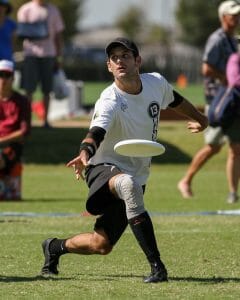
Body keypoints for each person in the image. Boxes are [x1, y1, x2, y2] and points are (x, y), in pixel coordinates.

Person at [40, 37, 208, 283]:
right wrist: (85, 152)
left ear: (137, 61)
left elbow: (175, 101)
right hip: (102, 168)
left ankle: (54, 247)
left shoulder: (156, 83)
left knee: (101, 244)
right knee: (127, 184)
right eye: (114, 58)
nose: (120, 61)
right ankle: (157, 267)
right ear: (109, 66)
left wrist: (200, 118)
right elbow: (96, 132)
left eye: (125, 56)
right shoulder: (110, 100)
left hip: (137, 171)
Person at [178, 0, 240, 203]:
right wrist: (226, 77)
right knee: (213, 146)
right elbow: (206, 69)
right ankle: (186, 181)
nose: (237, 18)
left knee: (236, 147)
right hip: (219, 101)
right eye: (233, 15)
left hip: (233, 100)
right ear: (223, 17)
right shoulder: (217, 38)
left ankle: (232, 193)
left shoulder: (233, 40)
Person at [17, 0, 64, 128]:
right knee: (29, 90)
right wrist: (37, 32)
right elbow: (21, 32)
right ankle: (26, 121)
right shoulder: (25, 9)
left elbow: (58, 36)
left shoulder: (53, 10)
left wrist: (59, 57)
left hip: (49, 55)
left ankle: (46, 121)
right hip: (30, 55)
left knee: (47, 90)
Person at [0, 60, 31, 200]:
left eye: (7, 75)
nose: (3, 79)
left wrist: (1, 141)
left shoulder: (22, 101)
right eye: (0, 75)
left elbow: (24, 131)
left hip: (12, 146)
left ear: (13, 78)